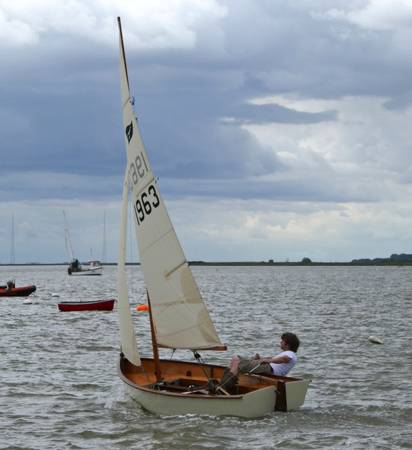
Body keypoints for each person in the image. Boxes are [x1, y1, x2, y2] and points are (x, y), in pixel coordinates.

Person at [219, 332, 300, 393]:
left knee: (237, 360)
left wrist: (268, 360)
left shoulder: (290, 354)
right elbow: (274, 359)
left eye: (282, 341)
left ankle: (224, 387)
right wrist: (260, 358)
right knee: (235, 359)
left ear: (287, 344)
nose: (280, 342)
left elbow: (285, 359)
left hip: (269, 369)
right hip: (267, 367)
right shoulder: (285, 353)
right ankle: (223, 386)